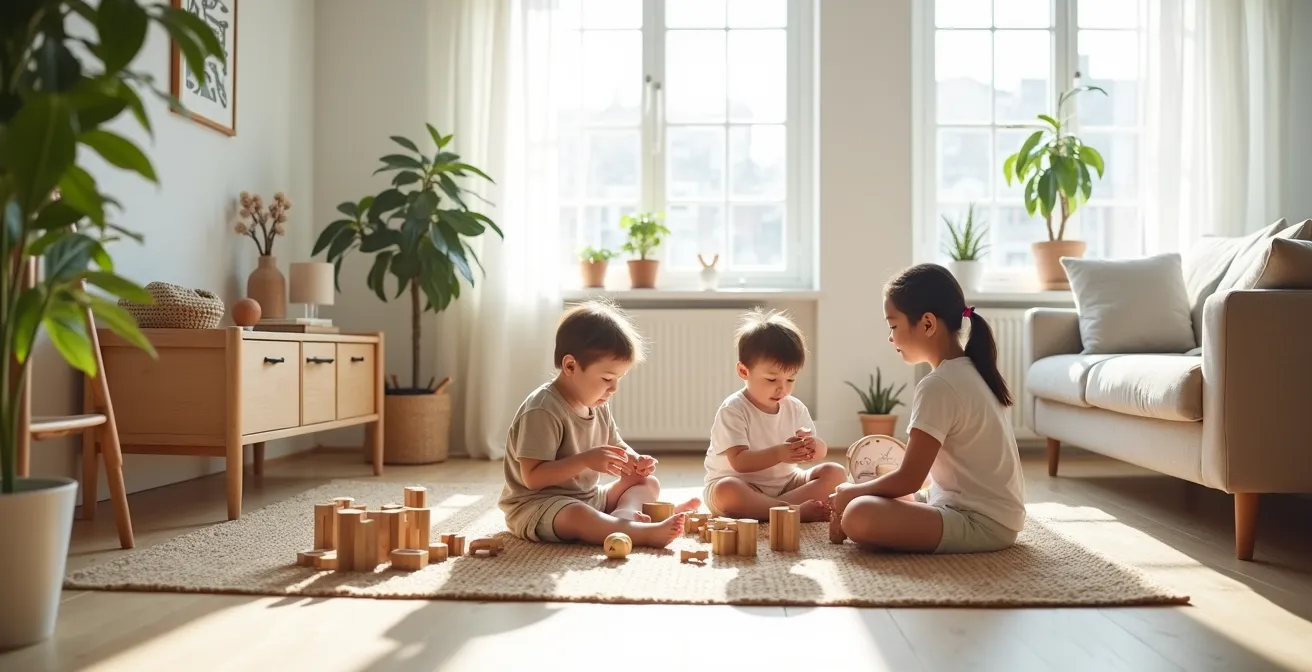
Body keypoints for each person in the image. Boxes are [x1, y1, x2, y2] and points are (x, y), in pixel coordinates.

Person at [832, 263, 1026, 554]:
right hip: (980, 511)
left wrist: (852, 494)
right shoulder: (972, 371)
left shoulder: (939, 385)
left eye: (893, 326)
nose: (890, 337)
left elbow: (909, 479)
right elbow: (921, 476)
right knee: (871, 494)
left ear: (927, 324)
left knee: (859, 513)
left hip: (980, 522)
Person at [499, 299, 699, 548]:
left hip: (589, 498)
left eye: (618, 379)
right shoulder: (542, 409)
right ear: (570, 366)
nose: (614, 388)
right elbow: (533, 478)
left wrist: (635, 461)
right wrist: (585, 460)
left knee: (647, 483)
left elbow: (617, 446)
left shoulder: (597, 404)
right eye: (607, 378)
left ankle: (624, 516)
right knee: (578, 515)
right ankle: (642, 533)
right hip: (539, 507)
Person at [703, 308, 848, 522]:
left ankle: (773, 509)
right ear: (744, 371)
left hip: (786, 483)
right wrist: (780, 453)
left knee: (835, 473)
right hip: (743, 484)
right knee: (727, 490)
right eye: (772, 379)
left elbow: (818, 453)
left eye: (790, 379)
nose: (783, 388)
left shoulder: (795, 407)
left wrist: (813, 447)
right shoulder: (733, 409)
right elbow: (740, 462)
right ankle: (790, 511)